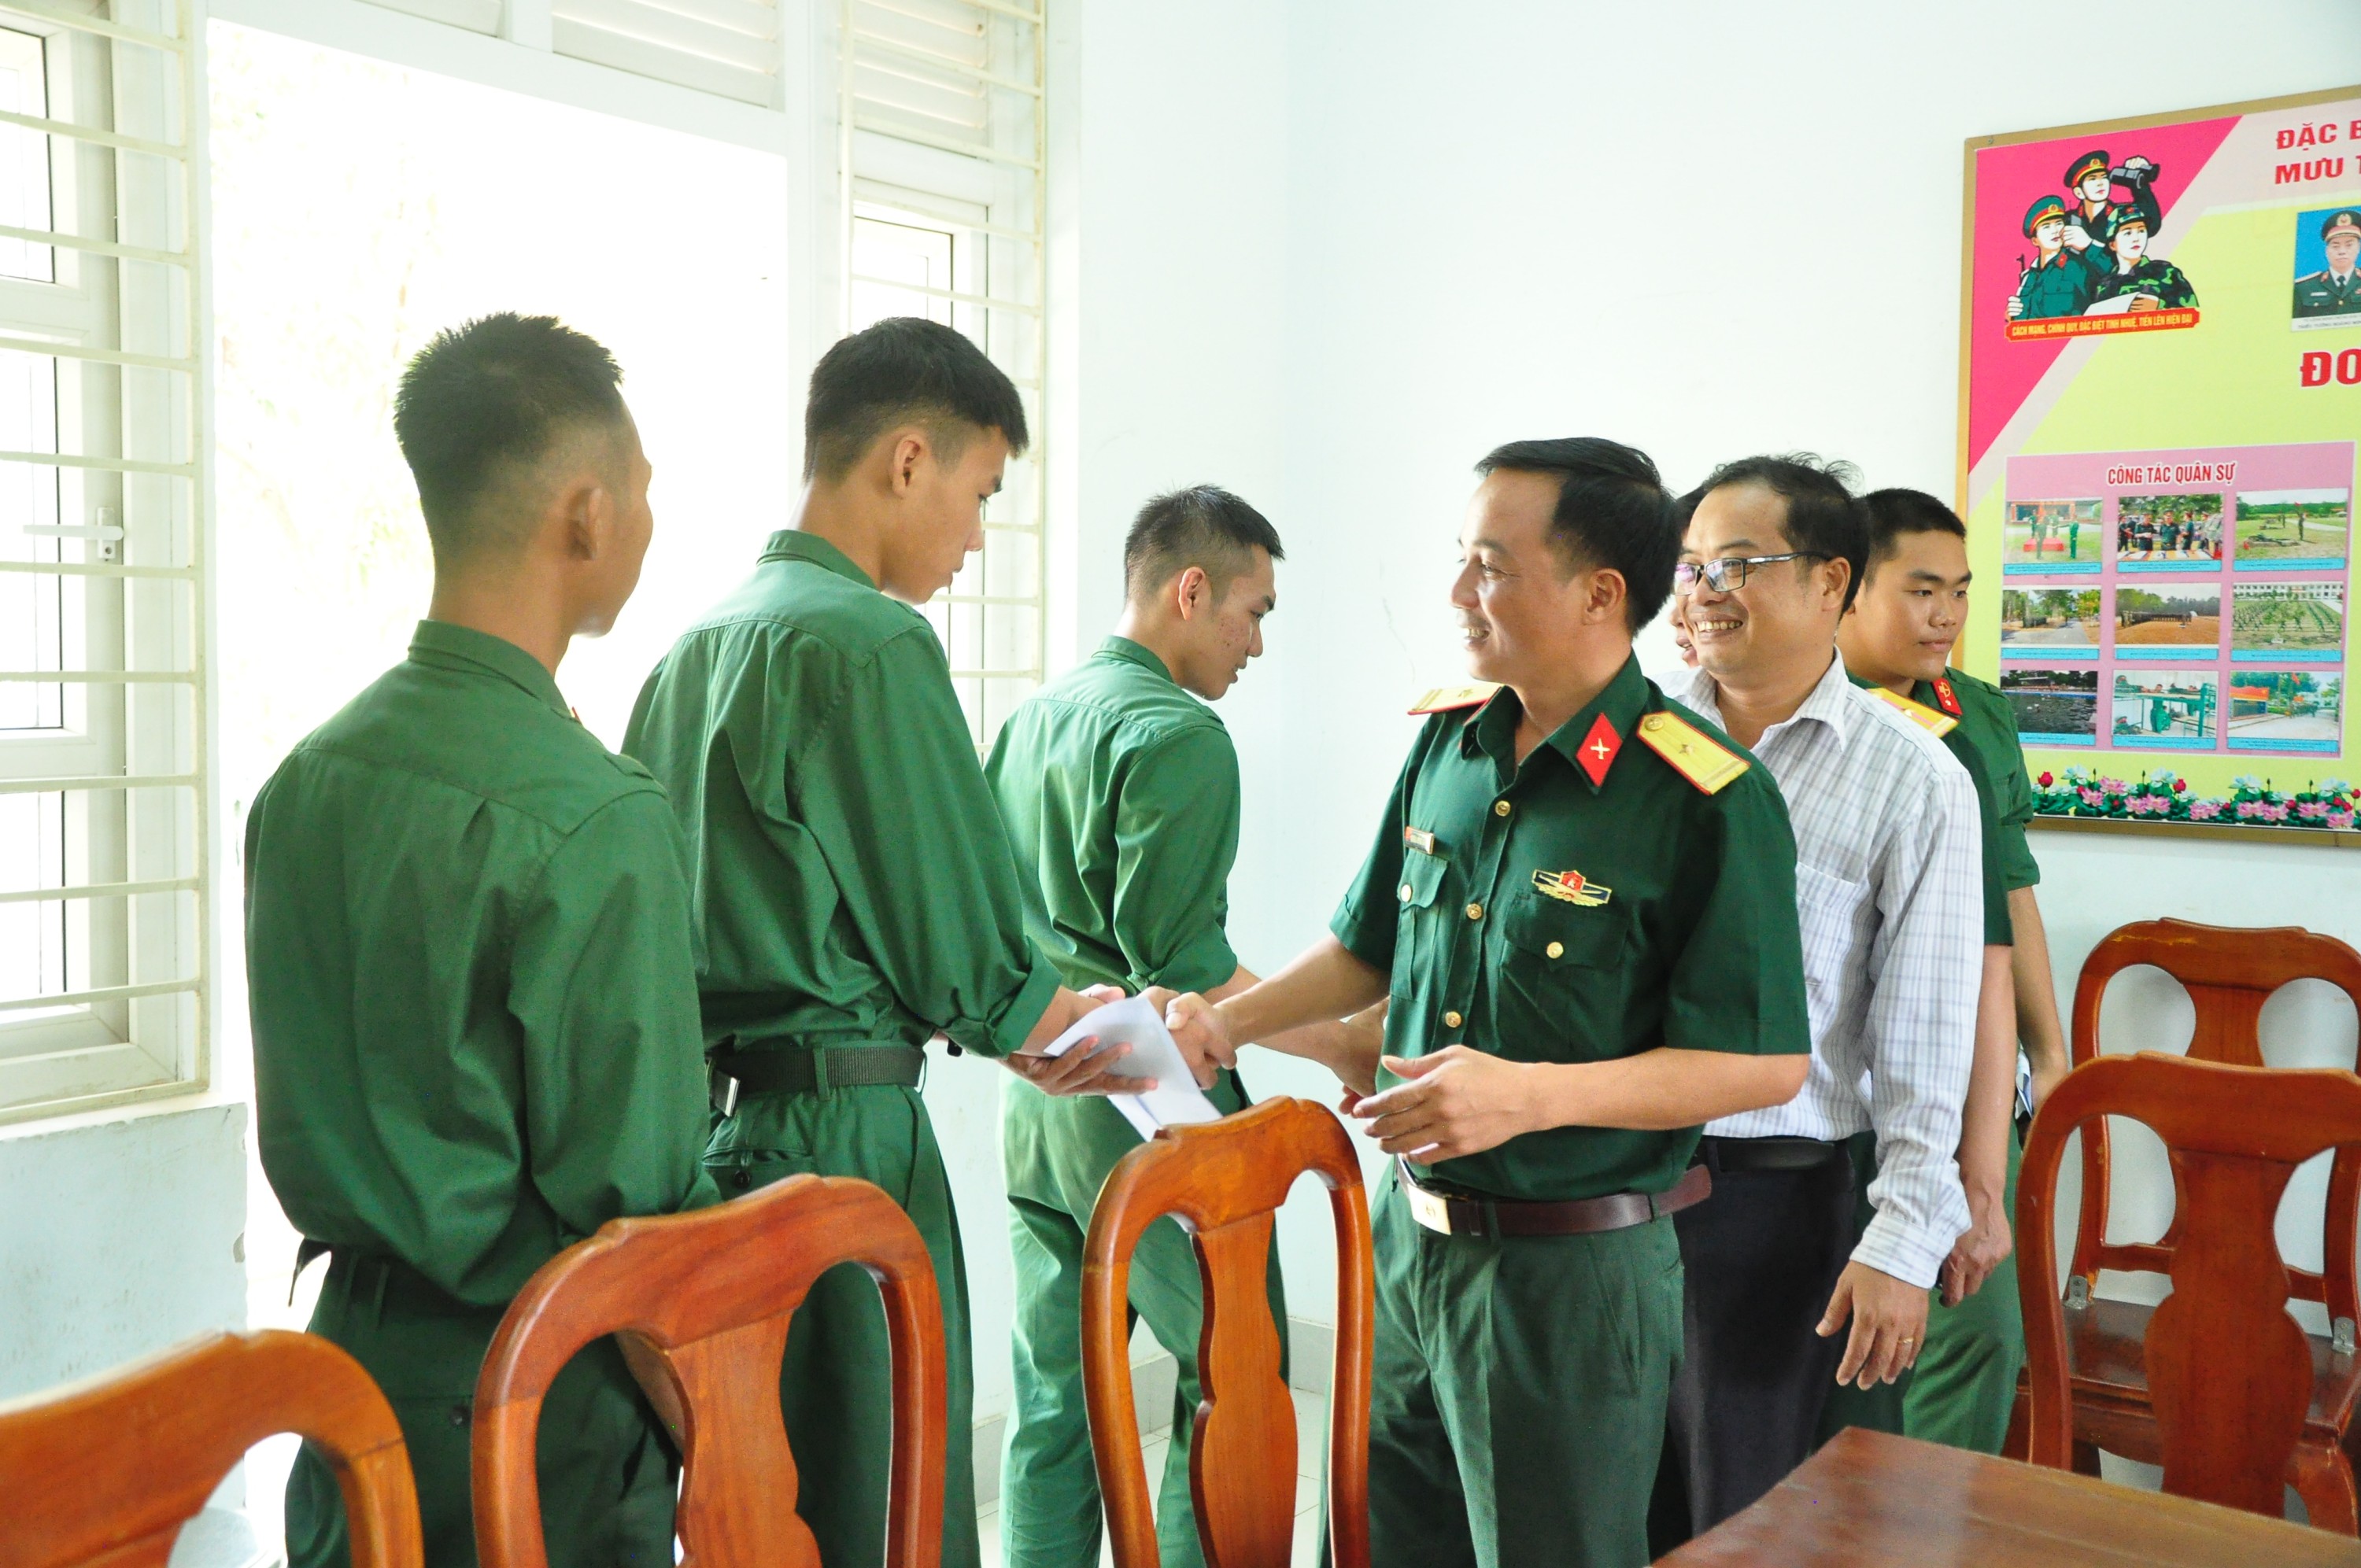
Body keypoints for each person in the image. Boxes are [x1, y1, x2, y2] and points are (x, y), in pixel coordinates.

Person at [1167, 437, 1814, 1568]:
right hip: (1406, 1244)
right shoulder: (1450, 744)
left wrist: (1530, 1098)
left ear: (1600, 593)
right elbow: (1364, 948)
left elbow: (1762, 1062)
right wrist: (1228, 1023)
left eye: (1492, 567)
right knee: (1379, 1538)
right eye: (1463, 559)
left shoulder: (1704, 796)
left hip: (1567, 1274)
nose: (1459, 593)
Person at [622, 317, 1166, 1568]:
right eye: (981, 494)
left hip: (709, 1143)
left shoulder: (688, 652)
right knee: (884, 1504)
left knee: (759, 1507)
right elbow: (965, 956)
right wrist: (1076, 1026)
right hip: (847, 1149)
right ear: (908, 459)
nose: (975, 538)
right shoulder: (870, 643)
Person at [246, 314, 714, 1568]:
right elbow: (638, 1226)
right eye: (644, 490)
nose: (649, 521)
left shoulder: (307, 781)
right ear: (586, 515)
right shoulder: (598, 817)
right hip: (541, 1405)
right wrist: (724, 1450)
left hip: (349, 1384)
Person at [985, 485, 1357, 1568]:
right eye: (1254, 611)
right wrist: (1343, 1039)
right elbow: (1185, 970)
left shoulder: (1035, 717)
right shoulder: (1181, 734)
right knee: (1232, 1375)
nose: (1257, 644)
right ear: (1191, 590)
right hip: (1149, 1100)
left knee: (1055, 1393)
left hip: (1038, 1097)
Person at [1650, 456, 1981, 1544]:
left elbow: (1926, 1032)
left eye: (1740, 564)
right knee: (1616, 1510)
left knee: (1744, 1519)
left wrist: (1903, 1241)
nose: (1707, 590)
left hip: (1771, 1206)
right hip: (1612, 1187)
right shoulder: (1640, 743)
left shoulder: (1913, 778)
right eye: (1693, 566)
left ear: (1831, 580)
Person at [1833, 487, 2073, 1453]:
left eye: (1961, 592)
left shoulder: (1976, 715)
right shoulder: (1801, 708)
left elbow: (2010, 901)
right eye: (1921, 589)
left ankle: (1931, 1518)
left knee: (1976, 1328)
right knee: (1844, 1338)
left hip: (1966, 1069)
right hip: (1836, 1082)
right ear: (1846, 589)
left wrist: (2050, 1055)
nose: (1945, 615)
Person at [2008, 196, 2108, 321]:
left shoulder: (2076, 265)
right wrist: (2012, 316)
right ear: (2035, 241)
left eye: (2059, 224)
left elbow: (2115, 272)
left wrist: (2089, 245)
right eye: (2046, 226)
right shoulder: (2029, 277)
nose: (2055, 231)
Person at [2060, 149, 2161, 256]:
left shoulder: (2123, 214)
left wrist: (2142, 184)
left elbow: (2153, 224)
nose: (2100, 183)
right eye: (2092, 179)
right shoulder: (2068, 220)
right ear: (2079, 192)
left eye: (2104, 177)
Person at [2091, 211, 2196, 312]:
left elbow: (2194, 313)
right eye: (2128, 233)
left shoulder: (2165, 273)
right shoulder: (2105, 285)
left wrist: (2159, 306)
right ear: (2112, 245)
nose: (2136, 238)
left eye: (2141, 231)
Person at [2295, 209, 2361, 318]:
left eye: (2349, 245)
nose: (2342, 251)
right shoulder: (2304, 288)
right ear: (2327, 251)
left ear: (2358, 248)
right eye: (2335, 246)